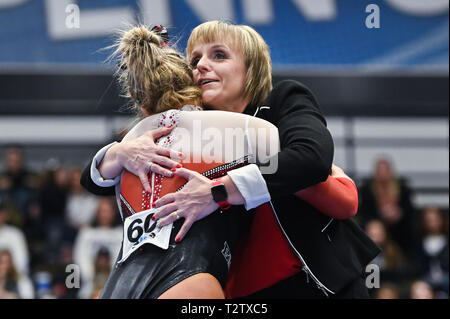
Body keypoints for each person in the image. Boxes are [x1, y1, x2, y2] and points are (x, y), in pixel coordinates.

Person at [81, 22, 379, 299]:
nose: (201, 66)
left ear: (251, 70)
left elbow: (311, 160)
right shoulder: (187, 132)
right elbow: (99, 183)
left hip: (312, 281)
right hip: (242, 289)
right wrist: (118, 153)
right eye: (194, 60)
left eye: (219, 55)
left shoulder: (279, 103)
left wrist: (218, 192)